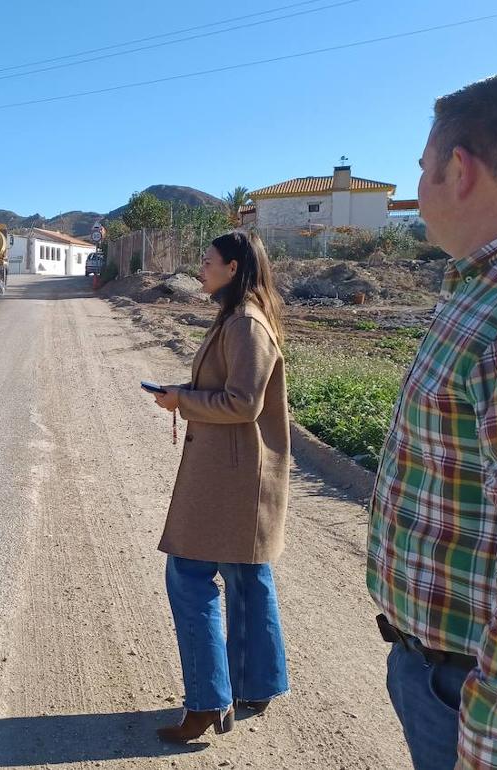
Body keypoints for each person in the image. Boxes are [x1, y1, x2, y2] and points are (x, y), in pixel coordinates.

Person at [368, 69, 497, 770]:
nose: (417, 192)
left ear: (459, 168)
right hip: (449, 676)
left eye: (422, 170)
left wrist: (492, 742)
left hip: (483, 706)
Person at [150, 230, 291, 742]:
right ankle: (259, 683)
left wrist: (182, 402)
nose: (201, 268)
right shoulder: (239, 317)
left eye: (208, 261)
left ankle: (209, 700)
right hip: (238, 474)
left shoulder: (246, 323)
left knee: (187, 576)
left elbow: (243, 403)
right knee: (248, 577)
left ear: (233, 268)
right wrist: (184, 393)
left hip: (234, 479)